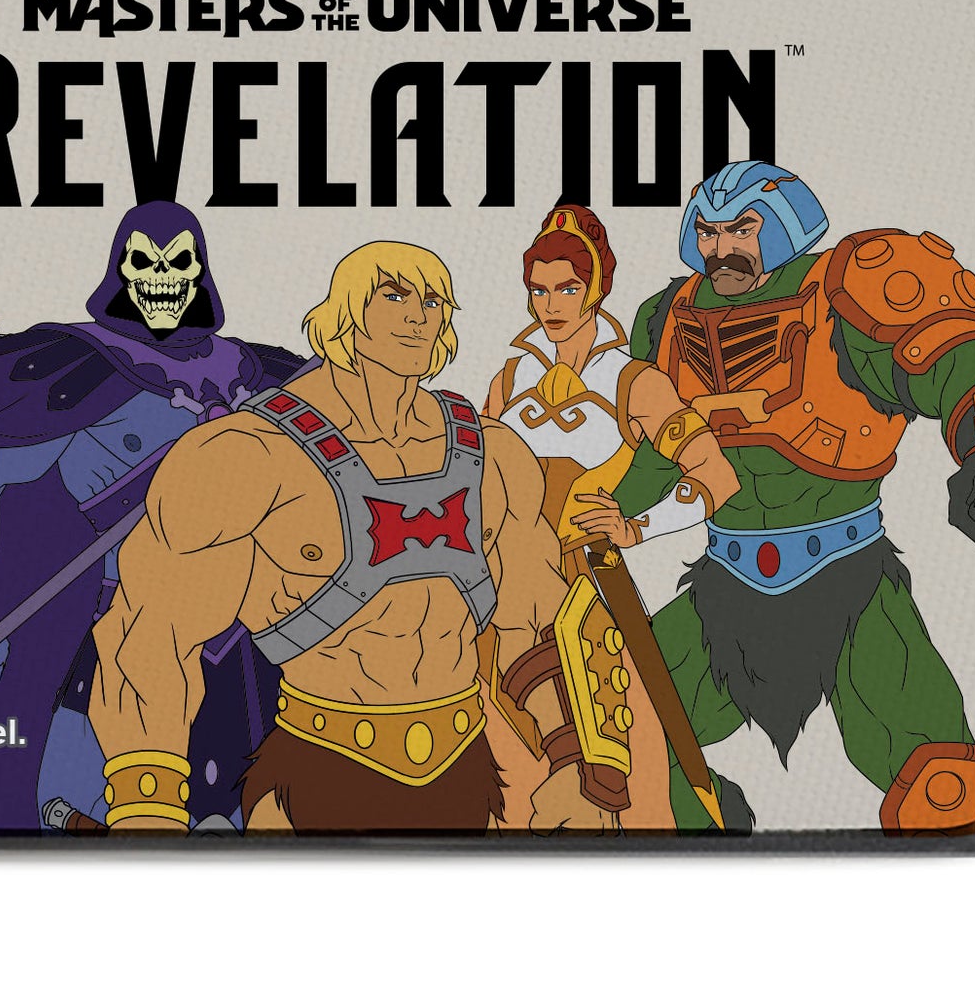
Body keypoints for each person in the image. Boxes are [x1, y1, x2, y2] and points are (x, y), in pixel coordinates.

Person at [89, 243, 624, 834]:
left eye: (432, 303)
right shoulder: (248, 455)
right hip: (313, 777)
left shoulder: (491, 452)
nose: (418, 316)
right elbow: (150, 638)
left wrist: (583, 768)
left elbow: (540, 620)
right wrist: (147, 813)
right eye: (394, 296)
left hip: (467, 774)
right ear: (343, 314)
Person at [0, 200, 303, 833]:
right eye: (145, 263)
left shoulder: (265, 377)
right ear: (121, 271)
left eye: (177, 264)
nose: (162, 280)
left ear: (199, 273)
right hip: (106, 661)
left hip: (248, 657)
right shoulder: (68, 367)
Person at [631, 160, 975, 831]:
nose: (720, 248)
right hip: (722, 588)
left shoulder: (850, 293)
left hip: (849, 585)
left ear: (785, 225)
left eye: (741, 229)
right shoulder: (665, 319)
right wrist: (595, 511)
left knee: (944, 783)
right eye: (707, 231)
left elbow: (960, 361)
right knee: (618, 741)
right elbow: (653, 447)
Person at [481, 203, 741, 827]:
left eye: (567, 288)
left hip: (585, 586)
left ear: (595, 287)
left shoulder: (634, 382)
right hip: (494, 580)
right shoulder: (508, 378)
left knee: (628, 762)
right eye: (539, 290)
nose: (551, 304)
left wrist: (637, 527)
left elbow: (717, 476)